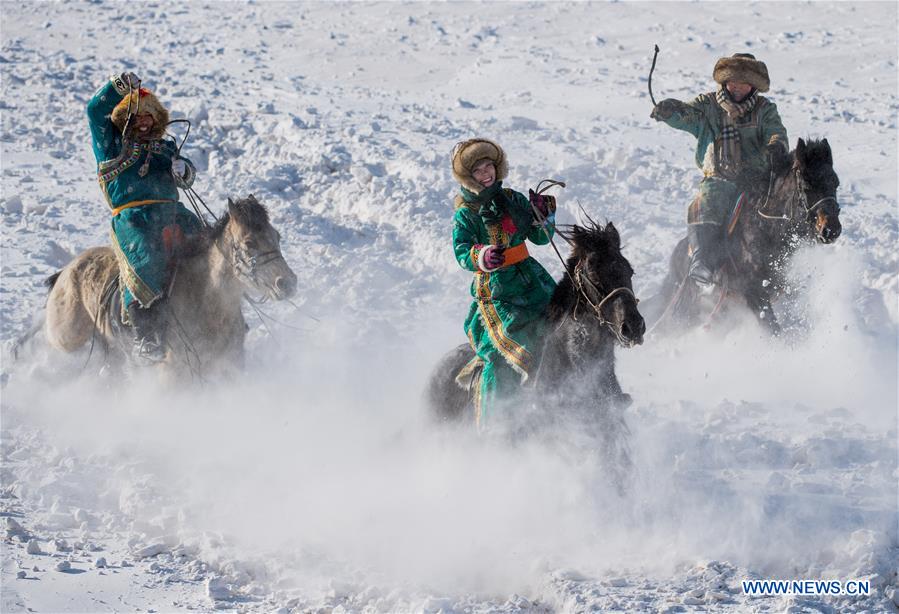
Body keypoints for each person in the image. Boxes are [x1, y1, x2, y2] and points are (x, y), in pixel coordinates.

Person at [86, 72, 202, 363]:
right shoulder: (111, 144)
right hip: (134, 217)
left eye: (148, 115)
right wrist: (119, 86)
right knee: (147, 258)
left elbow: (187, 178)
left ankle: (219, 311)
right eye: (136, 116)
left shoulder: (167, 147)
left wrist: (183, 170)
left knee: (209, 247)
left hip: (173, 213)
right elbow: (94, 111)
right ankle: (146, 334)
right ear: (125, 119)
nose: (143, 121)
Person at [650, 53, 789, 287]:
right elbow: (686, 115)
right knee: (706, 203)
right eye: (733, 82)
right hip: (718, 178)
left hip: (757, 180)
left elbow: (776, 132)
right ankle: (701, 261)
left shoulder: (765, 110)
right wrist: (670, 111)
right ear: (725, 82)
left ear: (753, 86)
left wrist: (776, 145)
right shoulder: (708, 106)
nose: (737, 87)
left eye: (744, 83)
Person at [451, 138, 558, 429]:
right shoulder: (466, 213)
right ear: (468, 176)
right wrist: (482, 255)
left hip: (531, 279)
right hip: (497, 291)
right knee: (502, 356)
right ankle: (494, 425)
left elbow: (541, 238)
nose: (485, 173)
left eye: (488, 166)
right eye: (477, 170)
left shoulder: (513, 199)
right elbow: (461, 251)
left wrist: (542, 217)